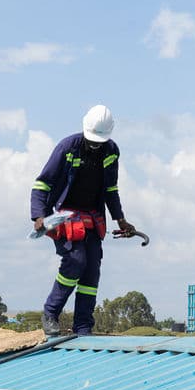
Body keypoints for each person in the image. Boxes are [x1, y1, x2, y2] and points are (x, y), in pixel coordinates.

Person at [31, 104, 136, 337]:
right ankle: (50, 313)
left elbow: (111, 189)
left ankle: (83, 326)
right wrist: (39, 216)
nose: (95, 145)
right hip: (64, 216)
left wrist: (120, 219)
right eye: (92, 141)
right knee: (75, 261)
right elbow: (42, 183)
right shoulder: (67, 147)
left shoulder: (111, 151)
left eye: (99, 141)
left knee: (91, 269)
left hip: (92, 217)